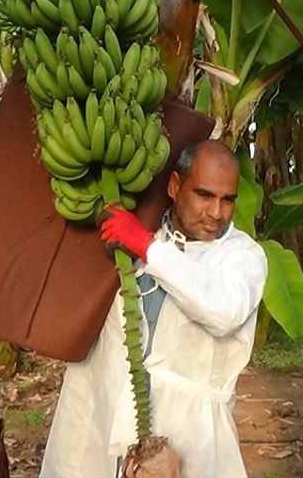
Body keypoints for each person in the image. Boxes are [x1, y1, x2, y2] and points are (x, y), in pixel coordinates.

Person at [39, 140, 268, 477]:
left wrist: (146, 248)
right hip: (100, 418)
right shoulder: (134, 236)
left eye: (227, 199)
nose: (216, 213)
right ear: (175, 186)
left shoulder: (242, 256)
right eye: (204, 195)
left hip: (191, 438)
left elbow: (224, 311)